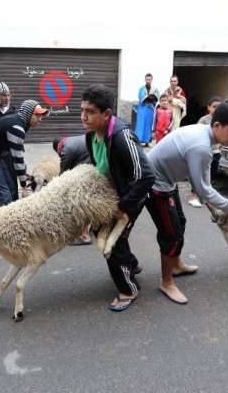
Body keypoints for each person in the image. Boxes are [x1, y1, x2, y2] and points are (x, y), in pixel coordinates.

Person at [144, 97, 228, 304]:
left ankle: (175, 265)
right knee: (172, 235)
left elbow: (199, 182)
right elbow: (204, 189)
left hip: (168, 180)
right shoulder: (201, 147)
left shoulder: (204, 132)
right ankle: (166, 282)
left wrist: (214, 203)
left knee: (180, 223)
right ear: (217, 125)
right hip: (155, 185)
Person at [81, 84, 156, 312]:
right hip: (114, 196)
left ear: (107, 114)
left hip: (134, 196)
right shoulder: (91, 136)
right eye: (82, 110)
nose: (84, 116)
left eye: (90, 112)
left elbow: (146, 176)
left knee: (114, 244)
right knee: (99, 232)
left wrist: (123, 208)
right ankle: (131, 264)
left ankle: (128, 289)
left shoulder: (122, 137)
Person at [0, 99, 49, 206]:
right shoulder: (17, 127)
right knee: (4, 194)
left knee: (11, 187)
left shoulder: (18, 122)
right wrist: (24, 187)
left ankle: (9, 214)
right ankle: (3, 221)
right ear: (28, 113)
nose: (40, 119)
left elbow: (15, 155)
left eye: (41, 116)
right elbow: (18, 160)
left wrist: (22, 172)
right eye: (37, 115)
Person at [52, 134, 93, 245]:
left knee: (81, 202)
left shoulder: (65, 149)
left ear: (58, 148)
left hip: (90, 172)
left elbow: (63, 175)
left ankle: (84, 236)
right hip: (98, 165)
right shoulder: (75, 140)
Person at [188, 96, 224, 207]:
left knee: (210, 176)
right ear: (208, 107)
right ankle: (193, 196)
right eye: (214, 106)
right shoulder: (204, 120)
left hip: (216, 152)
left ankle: (205, 196)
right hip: (204, 152)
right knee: (199, 174)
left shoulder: (223, 120)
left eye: (219, 107)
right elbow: (197, 135)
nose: (216, 109)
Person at [134, 73, 159, 146]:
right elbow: (142, 98)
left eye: (149, 79)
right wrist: (150, 97)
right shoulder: (141, 89)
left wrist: (149, 97)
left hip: (150, 110)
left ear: (152, 80)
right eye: (147, 79)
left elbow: (156, 97)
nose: (148, 81)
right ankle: (138, 141)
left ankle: (148, 142)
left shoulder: (155, 89)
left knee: (148, 125)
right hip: (142, 109)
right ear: (145, 80)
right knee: (140, 125)